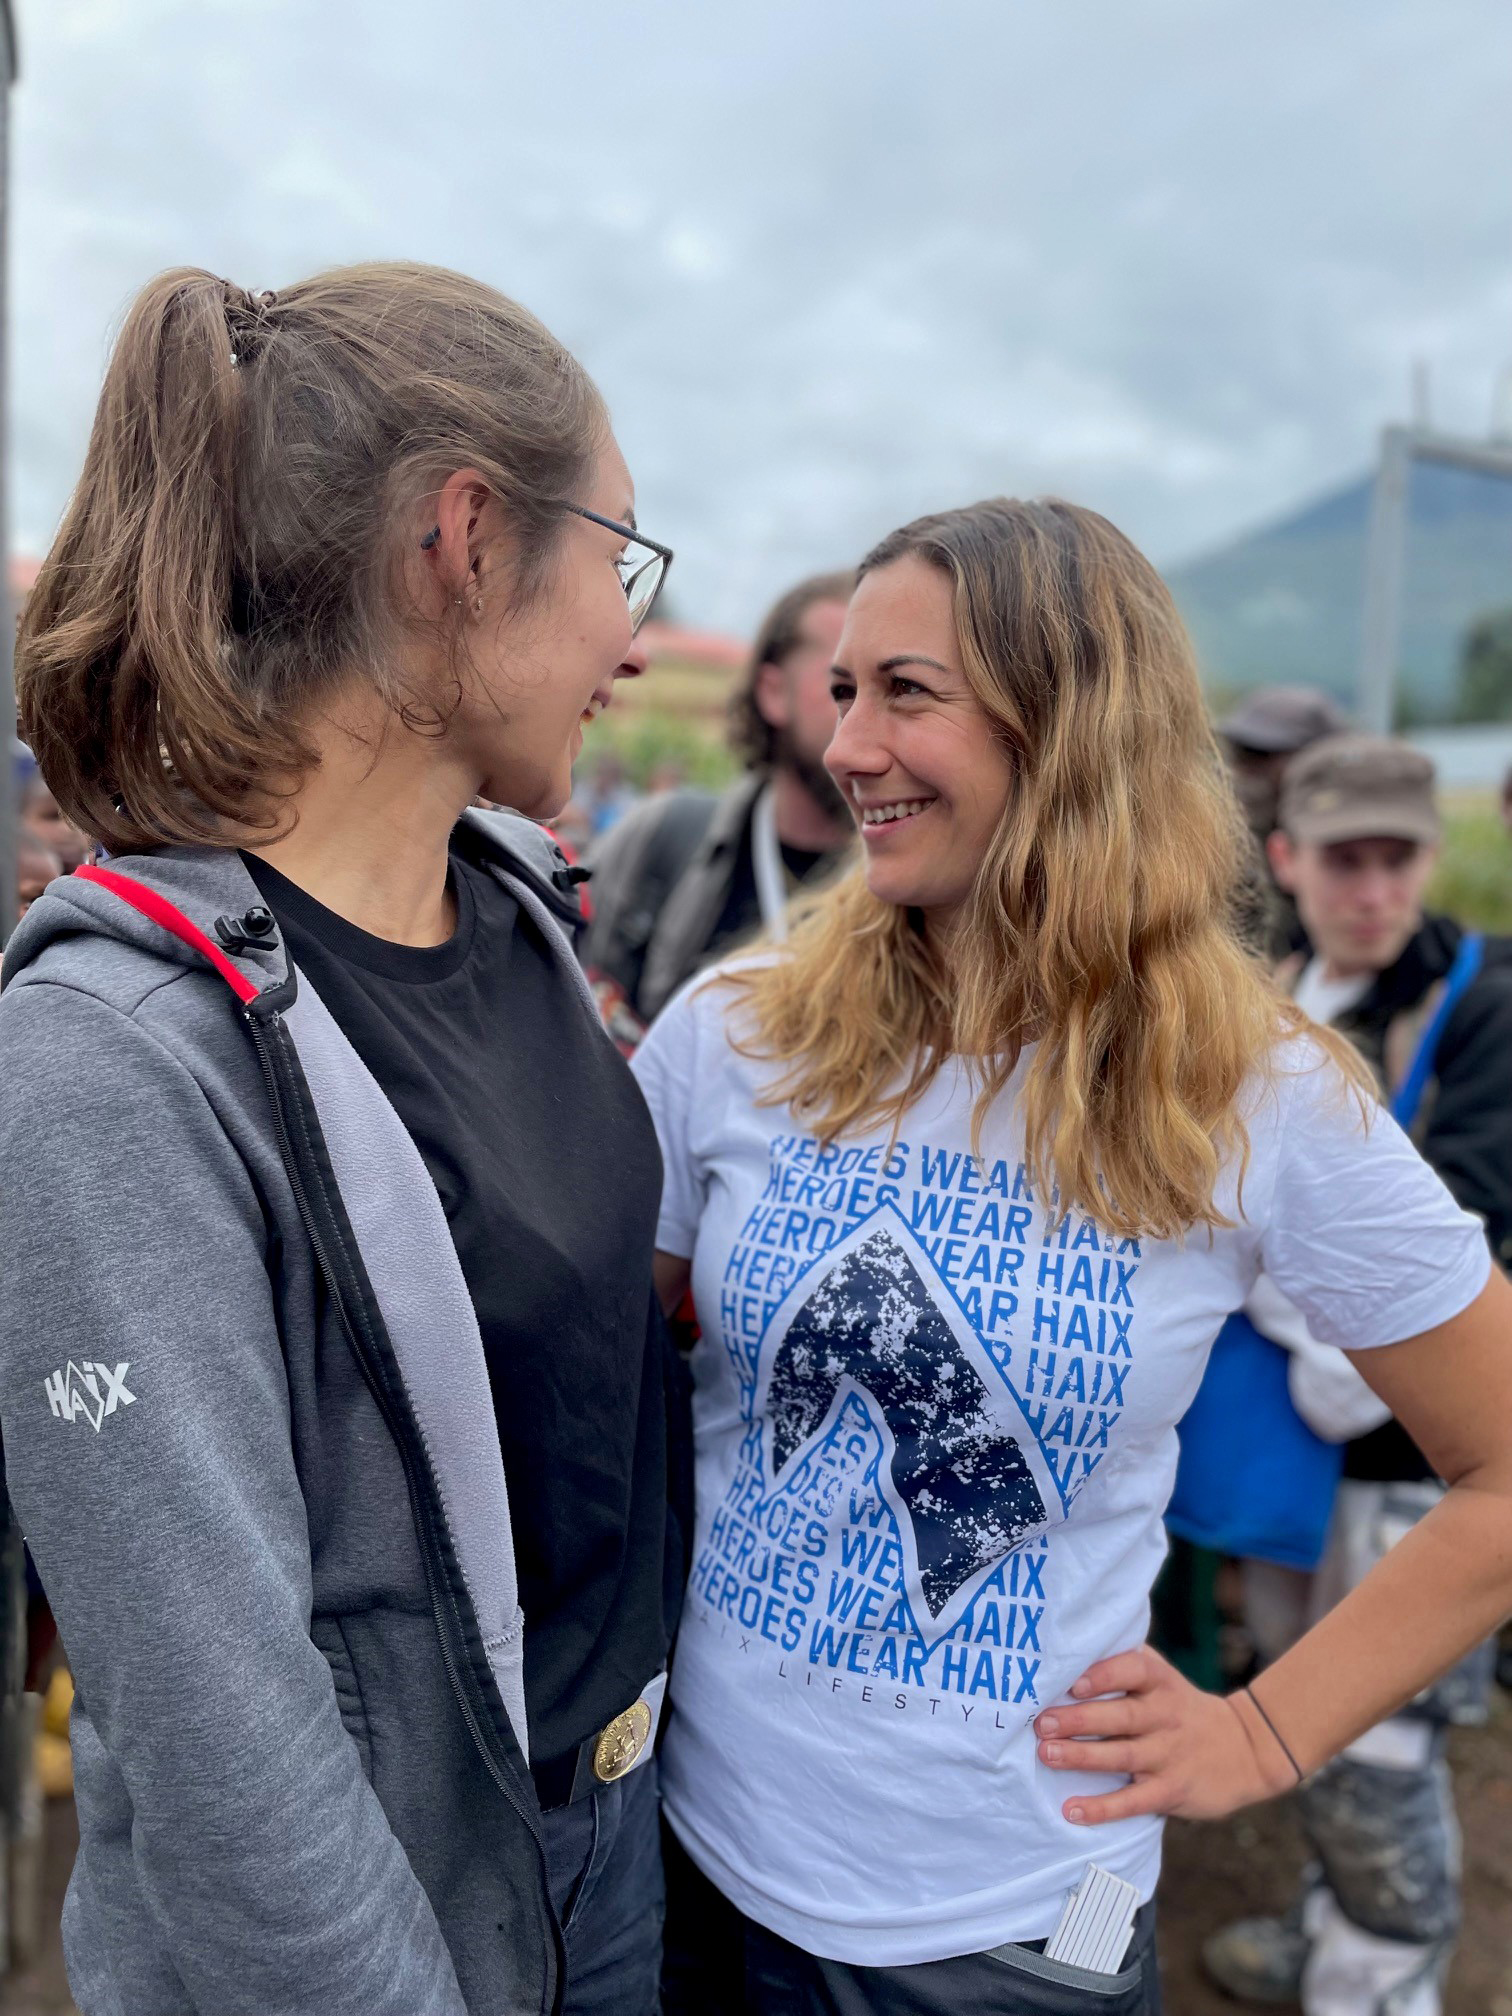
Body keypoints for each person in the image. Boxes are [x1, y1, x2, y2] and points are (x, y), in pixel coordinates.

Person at [630, 499, 1512, 2016]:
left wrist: (1259, 1735)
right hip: (694, 1853)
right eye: (844, 690)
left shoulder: (1259, 1092)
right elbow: (618, 1375)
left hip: (1025, 1915)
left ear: (1073, 729)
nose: (847, 744)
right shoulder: (736, 1030)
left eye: (908, 693)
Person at [0, 262, 683, 2016]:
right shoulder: (110, 1061)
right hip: (389, 1936)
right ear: (463, 537)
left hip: (608, 1851)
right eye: (620, 553)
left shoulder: (517, 913)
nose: (630, 627)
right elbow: (225, 1749)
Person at [1203, 733, 1512, 2015]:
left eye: (1399, 860)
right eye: (1347, 860)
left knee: (1385, 1737)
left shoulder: (1483, 1002)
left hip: (1415, 1464)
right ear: (1289, 859)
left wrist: (1276, 1282)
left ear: (1432, 859)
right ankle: (1328, 1921)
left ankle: (1383, 1981)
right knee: (1304, 1708)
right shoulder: (1266, 990)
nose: (1375, 890)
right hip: (1290, 1456)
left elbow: (1477, 1220)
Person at [581, 569, 855, 1040]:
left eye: (895, 687)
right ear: (773, 692)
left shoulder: (915, 881)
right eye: (842, 686)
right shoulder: (663, 836)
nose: (867, 712)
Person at [1218, 685, 1349, 956]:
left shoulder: (1355, 845)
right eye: (1241, 755)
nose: (1242, 773)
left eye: (1264, 758)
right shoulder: (1226, 845)